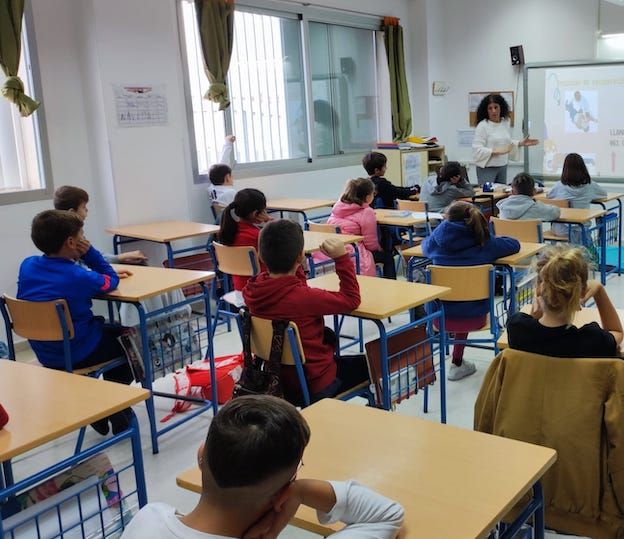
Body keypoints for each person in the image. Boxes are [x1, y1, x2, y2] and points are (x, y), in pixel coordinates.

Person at [121, 395, 404, 539]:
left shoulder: (148, 518)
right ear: (282, 492)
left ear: (201, 455)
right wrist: (301, 491)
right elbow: (388, 517)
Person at [17, 210, 135, 435]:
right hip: (78, 350)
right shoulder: (77, 276)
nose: (84, 240)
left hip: (45, 352)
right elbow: (111, 280)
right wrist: (90, 254)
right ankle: (111, 406)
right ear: (71, 241)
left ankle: (100, 407)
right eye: (82, 236)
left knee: (109, 330)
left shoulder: (28, 265)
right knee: (133, 343)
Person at [243, 220, 369, 404]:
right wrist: (342, 258)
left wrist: (297, 263)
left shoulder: (252, 291)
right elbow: (351, 300)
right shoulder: (305, 297)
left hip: (276, 383)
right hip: (316, 384)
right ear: (300, 257)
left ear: (260, 256)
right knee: (376, 360)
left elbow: (292, 285)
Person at [422, 202, 520, 380]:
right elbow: (514, 245)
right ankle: (459, 362)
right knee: (468, 302)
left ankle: (456, 362)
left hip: (439, 318)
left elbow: (424, 246)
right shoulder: (485, 243)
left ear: (446, 220)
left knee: (457, 300)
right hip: (476, 317)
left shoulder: (435, 243)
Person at [507, 245, 623, 358]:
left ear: (539, 289)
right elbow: (617, 332)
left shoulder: (516, 328)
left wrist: (536, 312)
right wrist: (599, 291)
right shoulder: (593, 340)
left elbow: (534, 329)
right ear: (581, 292)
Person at [53, 185, 147, 265]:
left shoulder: (66, 231)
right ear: (72, 212)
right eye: (83, 207)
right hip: (88, 278)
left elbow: (93, 256)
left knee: (137, 261)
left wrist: (119, 257)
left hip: (90, 274)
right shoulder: (72, 238)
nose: (87, 210)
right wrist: (117, 261)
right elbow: (83, 266)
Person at [471, 93, 538, 184]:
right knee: (488, 195)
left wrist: (520, 143)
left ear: (501, 107)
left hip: (502, 165)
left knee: (501, 195)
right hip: (487, 168)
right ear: (486, 110)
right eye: (490, 108)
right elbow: (477, 149)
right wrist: (495, 151)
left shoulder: (505, 122)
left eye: (496, 107)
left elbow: (506, 142)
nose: (493, 111)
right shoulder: (483, 126)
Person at [218, 188, 272, 291]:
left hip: (239, 288)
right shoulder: (258, 236)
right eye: (264, 210)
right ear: (255, 213)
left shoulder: (228, 232)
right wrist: (271, 226)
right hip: (262, 289)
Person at [326, 178, 380, 277]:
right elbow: (370, 243)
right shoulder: (367, 212)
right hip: (353, 254)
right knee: (388, 257)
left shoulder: (338, 207)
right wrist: (379, 248)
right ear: (368, 197)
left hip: (332, 249)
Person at [546, 153, 607, 237]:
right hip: (582, 229)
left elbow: (548, 196)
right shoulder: (590, 185)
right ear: (583, 168)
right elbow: (604, 194)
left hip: (561, 231)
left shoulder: (559, 186)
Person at [496, 172, 561, 222]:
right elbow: (556, 212)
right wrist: (537, 202)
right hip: (530, 240)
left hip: (507, 239)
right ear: (534, 191)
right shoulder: (536, 208)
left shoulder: (502, 207)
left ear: (512, 192)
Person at [208, 135, 238, 208]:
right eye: (231, 176)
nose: (233, 178)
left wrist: (228, 143)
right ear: (227, 177)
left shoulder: (212, 189)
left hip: (221, 219)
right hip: (233, 219)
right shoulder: (231, 193)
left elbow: (222, 164)